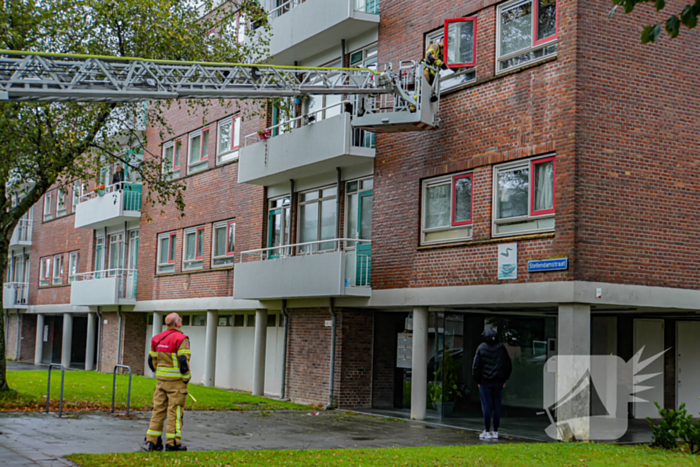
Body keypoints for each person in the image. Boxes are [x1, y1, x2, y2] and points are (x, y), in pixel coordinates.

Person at [144, 313, 192, 452]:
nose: (181, 321)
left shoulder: (157, 338)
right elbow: (183, 361)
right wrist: (186, 378)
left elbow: (151, 360)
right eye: (180, 320)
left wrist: (160, 373)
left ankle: (152, 442)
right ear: (177, 323)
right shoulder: (182, 339)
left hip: (161, 382)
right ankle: (173, 443)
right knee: (175, 413)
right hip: (176, 383)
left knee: (158, 411)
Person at [472, 328, 512, 441]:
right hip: (498, 382)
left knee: (486, 406)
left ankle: (487, 430)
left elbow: (476, 366)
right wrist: (504, 379)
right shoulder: (501, 348)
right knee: (497, 405)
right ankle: (495, 430)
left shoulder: (481, 348)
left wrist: (478, 381)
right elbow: (508, 365)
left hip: (485, 382)